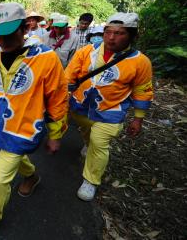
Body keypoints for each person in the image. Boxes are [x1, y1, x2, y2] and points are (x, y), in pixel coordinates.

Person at [0, 3, 68, 240]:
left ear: (25, 27)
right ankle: (31, 175)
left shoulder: (46, 59)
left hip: (25, 128)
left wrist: (56, 134)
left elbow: (57, 98)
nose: (4, 40)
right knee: (12, 155)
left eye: (10, 33)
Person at [65, 12, 153, 202]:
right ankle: (87, 145)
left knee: (99, 142)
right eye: (108, 32)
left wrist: (138, 119)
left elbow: (142, 90)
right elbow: (69, 76)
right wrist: (63, 96)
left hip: (111, 111)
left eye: (119, 33)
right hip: (81, 106)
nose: (111, 38)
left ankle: (91, 180)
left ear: (132, 35)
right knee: (87, 132)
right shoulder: (87, 52)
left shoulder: (140, 62)